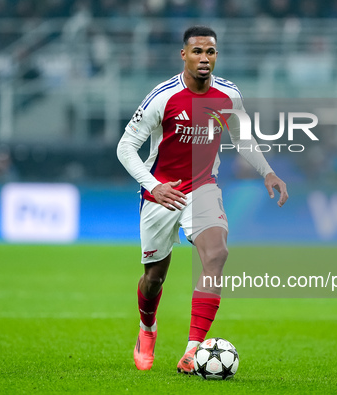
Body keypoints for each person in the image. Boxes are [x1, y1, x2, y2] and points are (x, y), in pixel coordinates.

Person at [116, 25, 288, 374]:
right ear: (184, 55)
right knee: (154, 278)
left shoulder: (228, 95)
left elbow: (243, 139)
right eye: (197, 51)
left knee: (218, 254)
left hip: (203, 187)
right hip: (160, 193)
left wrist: (267, 171)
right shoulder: (162, 97)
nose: (204, 58)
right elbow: (125, 147)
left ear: (216, 56)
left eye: (210, 52)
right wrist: (154, 185)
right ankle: (147, 329)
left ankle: (193, 350)